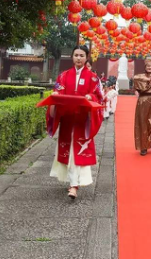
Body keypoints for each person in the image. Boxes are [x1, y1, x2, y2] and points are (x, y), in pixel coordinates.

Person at [47, 45, 103, 199]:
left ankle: (73, 185)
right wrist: (55, 95)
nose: (78, 58)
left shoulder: (93, 78)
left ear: (87, 57)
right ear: (72, 57)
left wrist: (91, 97)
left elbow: (98, 96)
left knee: (76, 151)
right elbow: (58, 90)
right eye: (76, 55)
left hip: (82, 121)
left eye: (82, 55)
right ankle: (74, 183)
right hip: (67, 119)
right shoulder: (63, 76)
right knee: (70, 150)